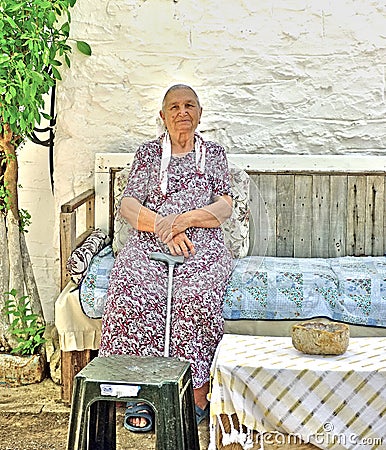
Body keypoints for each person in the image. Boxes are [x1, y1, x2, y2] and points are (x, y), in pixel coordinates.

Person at [99, 84, 233, 431]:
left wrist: (182, 222)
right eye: (174, 107)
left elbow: (224, 206)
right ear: (162, 117)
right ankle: (138, 393)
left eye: (189, 105)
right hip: (150, 241)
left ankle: (196, 394)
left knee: (196, 297)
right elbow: (129, 205)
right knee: (130, 290)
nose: (182, 112)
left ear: (200, 114)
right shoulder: (147, 155)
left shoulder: (215, 154)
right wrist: (163, 226)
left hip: (200, 244)